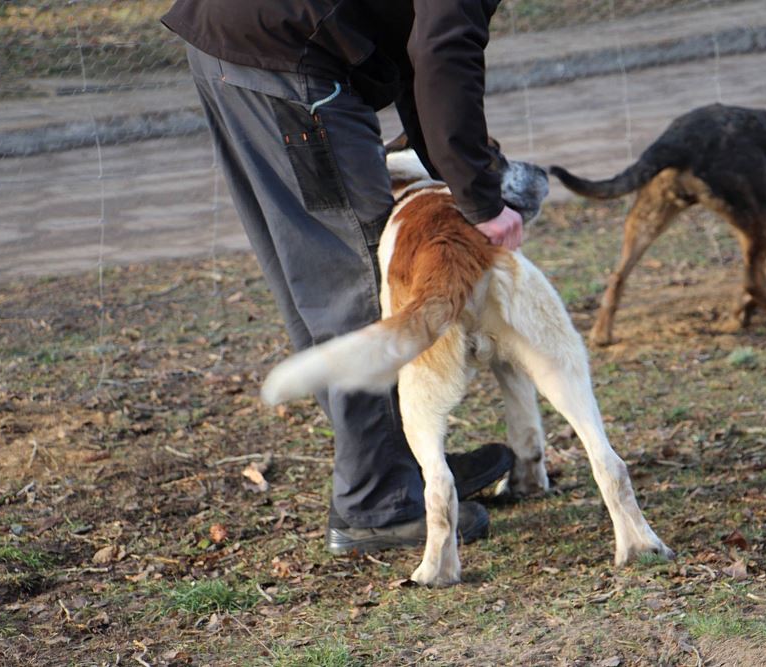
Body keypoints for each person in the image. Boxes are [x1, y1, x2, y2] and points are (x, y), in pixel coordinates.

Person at [161, 1, 520, 553]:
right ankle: (380, 502)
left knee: (314, 273)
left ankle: (402, 464)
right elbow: (441, 50)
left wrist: (450, 171)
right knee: (360, 282)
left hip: (237, 40)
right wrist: (480, 198)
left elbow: (418, 55)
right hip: (288, 53)